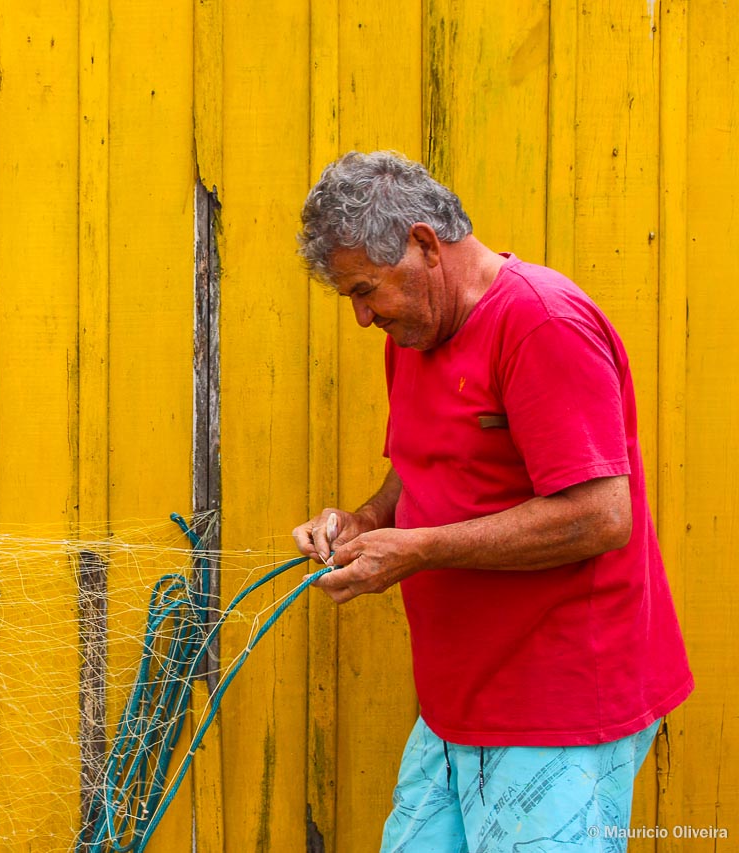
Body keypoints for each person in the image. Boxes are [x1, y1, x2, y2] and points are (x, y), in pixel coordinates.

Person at [291, 151, 693, 853]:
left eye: (365, 290)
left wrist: (419, 548)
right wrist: (362, 521)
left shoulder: (542, 322)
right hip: (458, 708)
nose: (361, 317)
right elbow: (421, 473)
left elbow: (601, 515)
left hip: (560, 711)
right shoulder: (414, 333)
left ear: (424, 245)